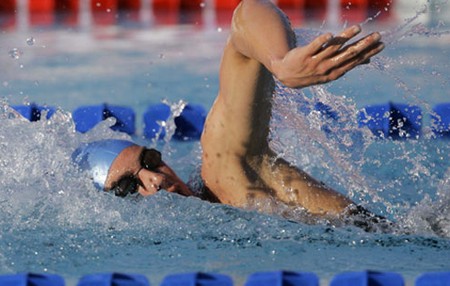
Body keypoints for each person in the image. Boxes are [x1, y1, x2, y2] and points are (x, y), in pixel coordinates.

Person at [73, 0, 386, 225]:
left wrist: (281, 63)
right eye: (129, 187)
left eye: (150, 160)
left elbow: (246, 14)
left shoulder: (226, 174)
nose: (155, 178)